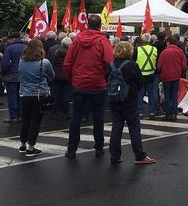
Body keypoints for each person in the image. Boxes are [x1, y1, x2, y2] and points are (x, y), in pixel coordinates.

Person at [63, 14, 114, 159]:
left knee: (76, 117)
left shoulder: (76, 41)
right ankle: (99, 147)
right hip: (97, 84)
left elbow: (67, 63)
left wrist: (72, 79)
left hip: (79, 84)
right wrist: (104, 76)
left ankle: (71, 149)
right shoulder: (103, 41)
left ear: (87, 25)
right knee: (98, 116)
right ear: (100, 26)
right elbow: (109, 62)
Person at [108, 42, 155, 165]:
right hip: (130, 101)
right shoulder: (132, 65)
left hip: (114, 100)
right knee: (134, 128)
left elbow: (105, 79)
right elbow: (140, 82)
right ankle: (139, 155)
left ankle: (114, 156)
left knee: (116, 127)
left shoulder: (110, 65)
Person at [18, 39, 55, 156]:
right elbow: (52, 76)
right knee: (36, 121)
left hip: (24, 93)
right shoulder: (44, 62)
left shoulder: (21, 61)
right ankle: (31, 146)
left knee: (26, 120)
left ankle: (23, 144)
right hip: (39, 94)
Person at [157, 36, 187, 121]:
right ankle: (174, 113)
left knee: (167, 95)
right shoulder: (179, 51)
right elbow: (184, 65)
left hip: (165, 76)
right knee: (174, 95)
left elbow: (159, 66)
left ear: (169, 42)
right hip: (176, 76)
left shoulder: (164, 52)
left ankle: (167, 113)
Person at [0, 33, 26, 123]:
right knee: (21, 96)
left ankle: (13, 116)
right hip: (23, 74)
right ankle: (21, 115)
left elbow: (5, 63)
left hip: (11, 75)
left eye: (9, 40)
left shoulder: (9, 48)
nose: (8, 41)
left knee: (12, 96)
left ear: (13, 39)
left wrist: (3, 72)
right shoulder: (26, 47)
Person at [133, 33, 158, 119]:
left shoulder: (137, 49)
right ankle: (152, 112)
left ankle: (139, 112)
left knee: (140, 94)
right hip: (151, 74)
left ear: (142, 40)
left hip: (140, 74)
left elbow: (133, 62)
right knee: (151, 93)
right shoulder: (154, 49)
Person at [48, 37, 72, 119]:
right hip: (66, 77)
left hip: (57, 76)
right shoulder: (70, 54)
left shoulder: (56, 52)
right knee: (66, 95)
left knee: (56, 94)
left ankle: (55, 111)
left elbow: (52, 63)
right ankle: (66, 111)